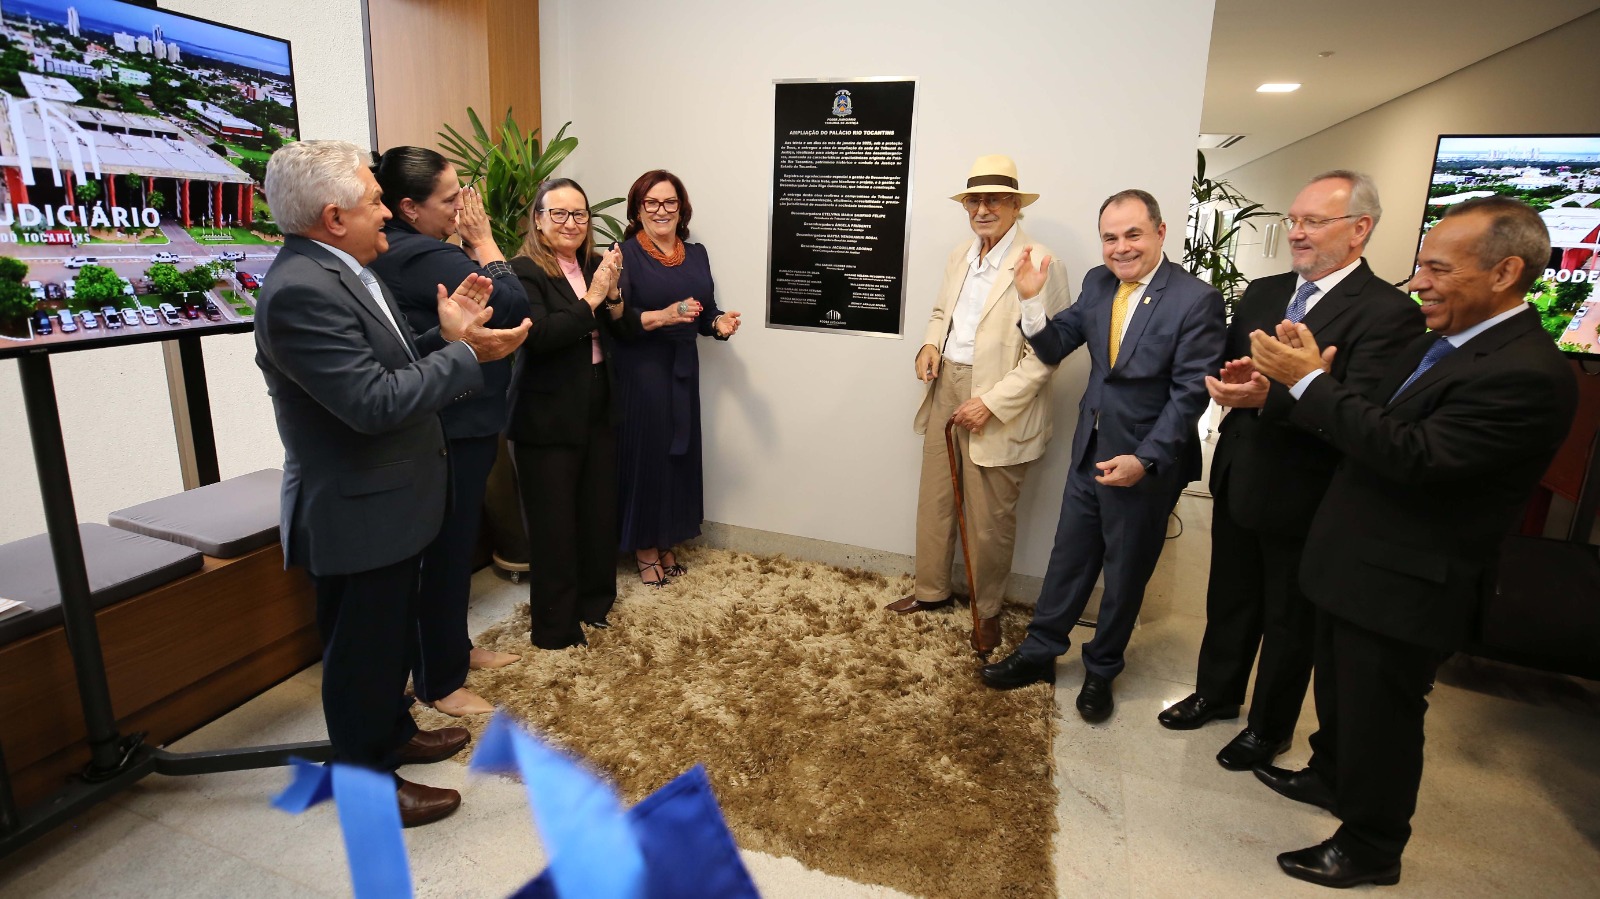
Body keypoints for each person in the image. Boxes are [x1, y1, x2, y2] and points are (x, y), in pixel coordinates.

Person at [1247, 196, 1577, 888]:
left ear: (1504, 272)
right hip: (1356, 562)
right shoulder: (1442, 342)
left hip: (1406, 581)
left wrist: (1308, 383)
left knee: (1382, 715)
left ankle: (1371, 845)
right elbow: (1370, 417)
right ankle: (1330, 775)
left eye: (1438, 268)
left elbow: (1417, 456)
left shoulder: (1526, 372)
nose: (1418, 281)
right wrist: (1319, 384)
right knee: (1343, 693)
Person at [254, 140, 530, 827]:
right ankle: (368, 784)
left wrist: (448, 338)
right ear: (333, 217)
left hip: (388, 501)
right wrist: (464, 352)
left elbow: (395, 366)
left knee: (385, 644)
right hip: (356, 509)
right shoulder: (300, 291)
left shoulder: (344, 270)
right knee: (360, 656)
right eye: (375, 201)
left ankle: (393, 733)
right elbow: (373, 402)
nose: (387, 212)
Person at [1158, 171, 1424, 772]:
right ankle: (1216, 694)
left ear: (1360, 229)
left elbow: (1365, 412)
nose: (1297, 233)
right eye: (1294, 220)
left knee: (1288, 620)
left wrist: (1273, 397)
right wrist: (1232, 383)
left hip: (1310, 492)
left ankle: (1268, 728)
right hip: (1240, 472)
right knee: (1229, 597)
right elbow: (1238, 365)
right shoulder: (1264, 291)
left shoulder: (1388, 313)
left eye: (1313, 222)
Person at [979, 190, 1225, 724]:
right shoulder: (1097, 282)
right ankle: (1040, 653)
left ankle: (1102, 669)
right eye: (1110, 237)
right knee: (1068, 558)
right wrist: (1030, 301)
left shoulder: (1196, 299)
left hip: (1144, 464)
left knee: (1125, 572)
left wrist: (1145, 459)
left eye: (1133, 234)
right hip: (1090, 448)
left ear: (1160, 232)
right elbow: (1054, 345)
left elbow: (1190, 395)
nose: (1121, 248)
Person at [886, 154, 1069, 654]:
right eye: (974, 201)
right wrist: (930, 345)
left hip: (1001, 397)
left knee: (989, 518)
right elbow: (941, 311)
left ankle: (986, 613)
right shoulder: (960, 255)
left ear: (1015, 205)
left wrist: (990, 402)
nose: (982, 209)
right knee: (937, 497)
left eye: (995, 200)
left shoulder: (1041, 262)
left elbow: (1049, 354)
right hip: (946, 382)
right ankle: (931, 590)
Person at [370, 146, 529, 717]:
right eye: (449, 199)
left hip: (458, 419)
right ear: (408, 208)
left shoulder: (420, 248)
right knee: (446, 552)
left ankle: (453, 649)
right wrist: (483, 242)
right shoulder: (419, 254)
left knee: (456, 547)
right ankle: (440, 680)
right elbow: (513, 302)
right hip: (451, 425)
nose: (462, 208)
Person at [506, 178, 640, 648]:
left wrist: (613, 295)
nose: (571, 223)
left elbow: (622, 332)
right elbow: (540, 337)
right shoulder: (521, 271)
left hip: (598, 398)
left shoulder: (594, 265)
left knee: (598, 512)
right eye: (558, 213)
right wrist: (593, 298)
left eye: (579, 214)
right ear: (538, 220)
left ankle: (594, 605)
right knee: (554, 525)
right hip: (546, 411)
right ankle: (555, 628)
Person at [611, 170, 740, 585]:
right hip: (642, 370)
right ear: (637, 210)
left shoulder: (696, 254)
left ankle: (665, 540)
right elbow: (616, 321)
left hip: (683, 369)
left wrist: (718, 324)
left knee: (676, 456)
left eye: (669, 202)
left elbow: (705, 309)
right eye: (651, 203)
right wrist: (663, 316)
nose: (661, 210)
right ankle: (644, 547)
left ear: (682, 209)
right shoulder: (624, 255)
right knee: (647, 457)